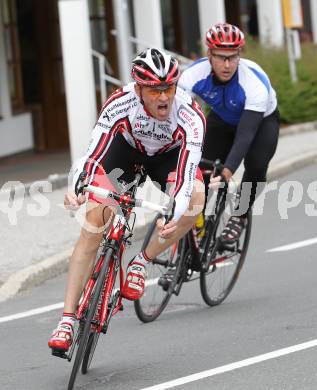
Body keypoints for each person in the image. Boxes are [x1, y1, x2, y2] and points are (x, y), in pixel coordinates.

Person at [48, 48, 206, 352]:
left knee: (197, 198)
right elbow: (94, 154)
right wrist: (80, 187)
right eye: (154, 89)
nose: (164, 97)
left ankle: (140, 262)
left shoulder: (189, 116)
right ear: (138, 88)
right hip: (125, 152)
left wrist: (175, 214)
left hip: (168, 158)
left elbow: (186, 177)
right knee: (94, 220)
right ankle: (67, 320)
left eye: (168, 88)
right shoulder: (121, 102)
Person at [179, 22, 280, 248]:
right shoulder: (193, 75)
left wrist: (227, 171)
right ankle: (197, 224)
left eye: (232, 57)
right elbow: (180, 121)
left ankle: (240, 216)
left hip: (260, 122)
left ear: (239, 55)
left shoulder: (253, 83)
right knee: (201, 169)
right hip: (223, 118)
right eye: (220, 57)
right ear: (209, 55)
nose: (227, 65)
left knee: (255, 163)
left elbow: (245, 135)